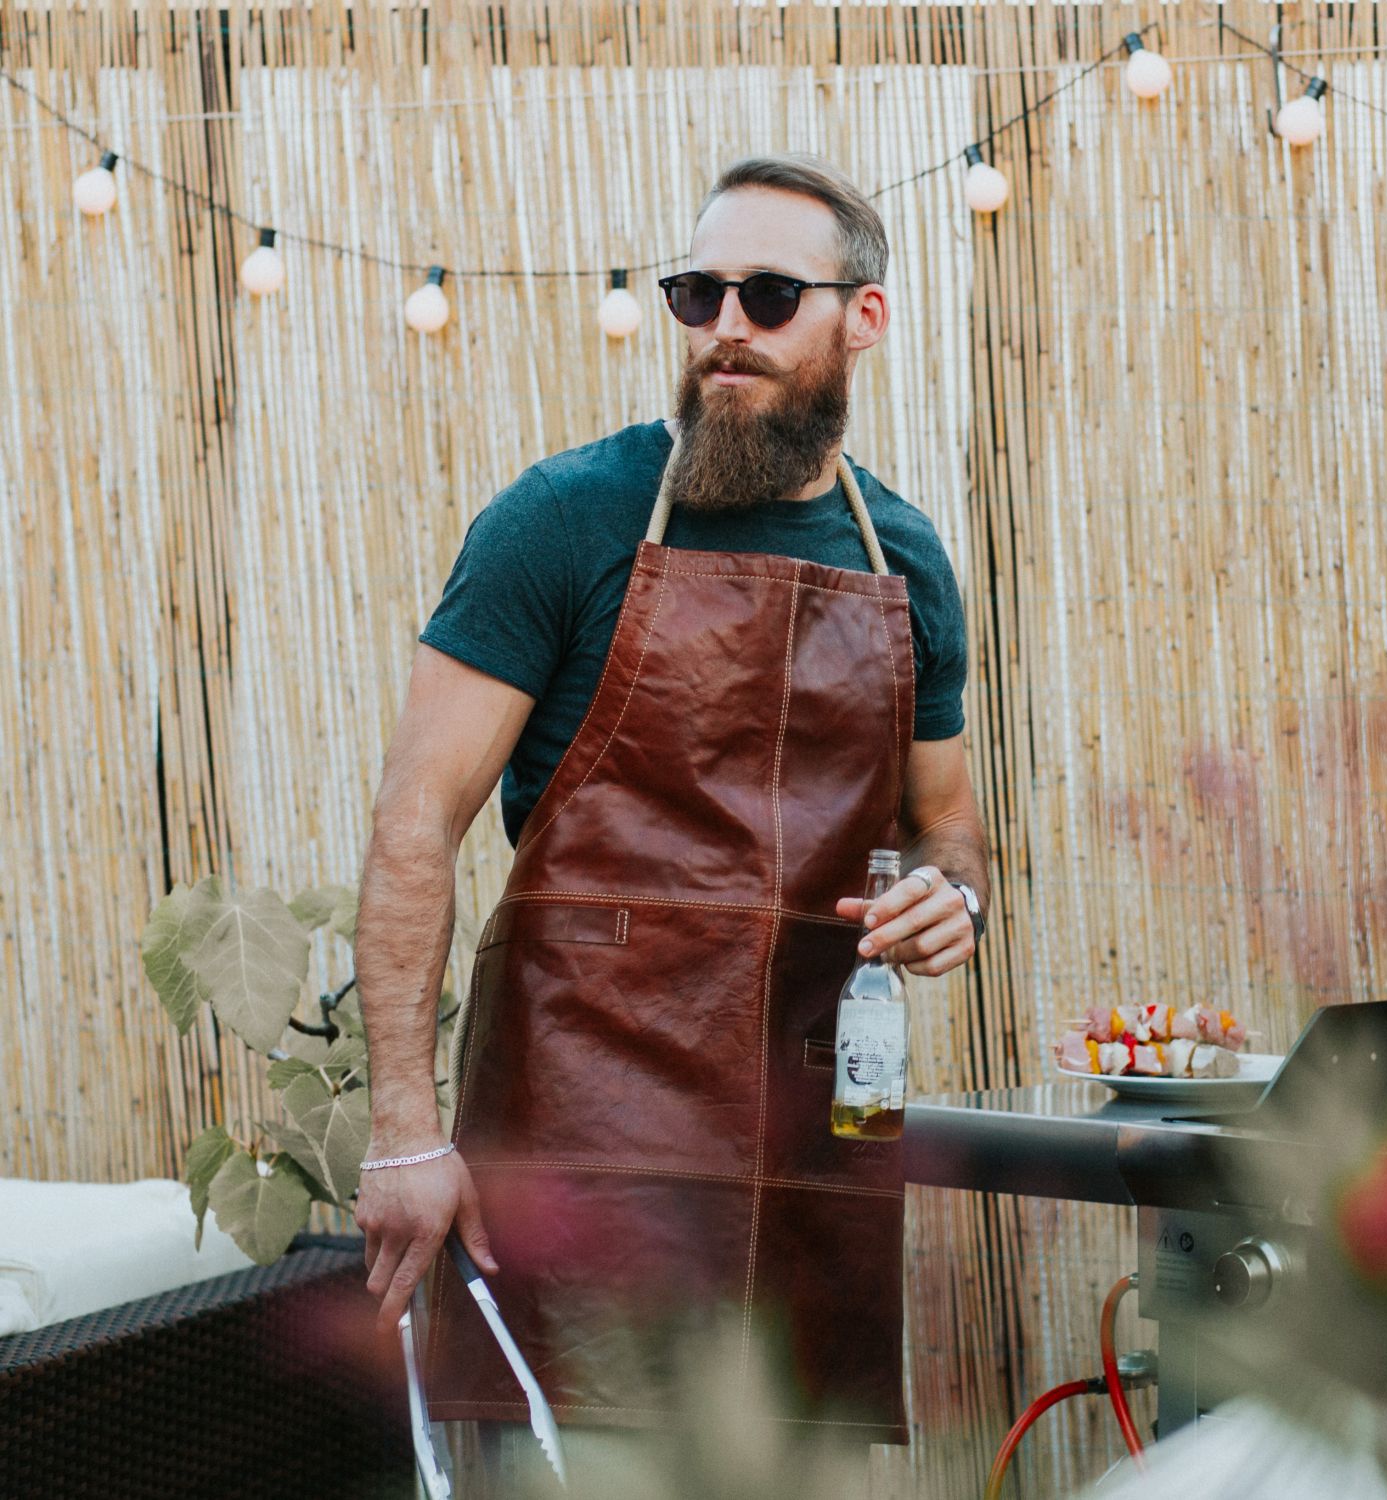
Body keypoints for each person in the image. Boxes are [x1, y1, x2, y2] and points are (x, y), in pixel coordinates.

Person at [353, 152, 990, 1494]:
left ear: (862, 318)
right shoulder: (564, 521)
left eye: (768, 294)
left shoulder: (908, 562)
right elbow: (415, 827)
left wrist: (956, 898)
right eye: (698, 295)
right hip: (582, 1159)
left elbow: (952, 832)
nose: (726, 331)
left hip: (808, 1165)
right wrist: (406, 1132)